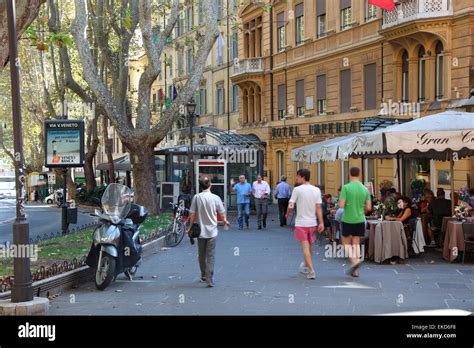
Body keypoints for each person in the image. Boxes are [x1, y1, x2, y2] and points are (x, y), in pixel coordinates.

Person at [187, 177, 229, 287]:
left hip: (200, 231)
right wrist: (225, 221)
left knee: (201, 254)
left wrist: (190, 227)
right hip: (212, 232)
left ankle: (203, 275)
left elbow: (192, 214)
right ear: (210, 185)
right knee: (210, 255)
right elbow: (222, 212)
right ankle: (209, 278)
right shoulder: (216, 198)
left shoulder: (196, 197)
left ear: (200, 186)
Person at [286, 169, 324, 280]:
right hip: (312, 223)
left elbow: (291, 204)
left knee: (305, 248)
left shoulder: (297, 190)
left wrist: (287, 213)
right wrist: (321, 222)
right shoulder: (316, 190)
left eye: (297, 176)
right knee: (310, 246)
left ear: (302, 177)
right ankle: (306, 265)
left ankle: (311, 270)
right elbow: (318, 207)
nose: (296, 178)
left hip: (301, 223)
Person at [339, 167, 372, 278]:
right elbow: (369, 207)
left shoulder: (346, 187)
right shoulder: (365, 189)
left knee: (346, 243)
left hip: (348, 218)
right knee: (356, 243)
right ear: (360, 174)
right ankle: (355, 271)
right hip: (360, 219)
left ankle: (354, 261)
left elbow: (341, 205)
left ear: (349, 174)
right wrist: (361, 208)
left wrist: (349, 203)